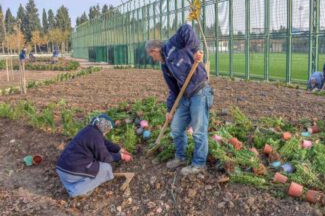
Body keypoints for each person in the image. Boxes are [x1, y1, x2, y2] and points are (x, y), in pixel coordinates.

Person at [145, 24, 214, 176]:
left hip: (199, 91)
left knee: (198, 131)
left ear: (154, 50)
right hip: (185, 96)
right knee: (176, 128)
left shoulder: (172, 44)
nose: (153, 59)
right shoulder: (165, 67)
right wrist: (170, 111)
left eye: (152, 56)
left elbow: (186, 29)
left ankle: (199, 164)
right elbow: (173, 90)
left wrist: (194, 50)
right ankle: (181, 157)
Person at [56, 114, 132, 198]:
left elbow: (105, 143)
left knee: (92, 165)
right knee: (106, 168)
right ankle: (77, 191)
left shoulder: (89, 130)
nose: (108, 131)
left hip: (62, 169)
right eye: (109, 129)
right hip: (72, 171)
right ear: (105, 127)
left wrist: (119, 149)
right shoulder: (95, 136)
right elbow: (105, 157)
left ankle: (72, 185)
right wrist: (121, 156)